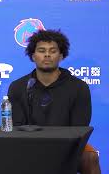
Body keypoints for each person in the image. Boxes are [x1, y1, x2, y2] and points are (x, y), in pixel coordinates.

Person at [8, 29, 101, 174]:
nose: (47, 54)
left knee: (89, 156)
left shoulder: (78, 87)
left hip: (68, 147)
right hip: (28, 146)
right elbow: (17, 127)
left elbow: (79, 128)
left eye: (53, 51)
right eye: (41, 50)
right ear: (33, 56)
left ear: (61, 55)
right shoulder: (18, 87)